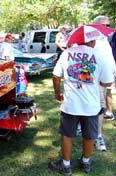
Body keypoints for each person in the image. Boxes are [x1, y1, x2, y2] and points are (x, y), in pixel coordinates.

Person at [48, 36, 114, 175]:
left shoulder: (67, 53)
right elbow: (107, 82)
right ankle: (85, 162)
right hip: (91, 105)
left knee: (67, 134)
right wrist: (98, 82)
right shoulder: (101, 55)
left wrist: (57, 93)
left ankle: (66, 166)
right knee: (90, 135)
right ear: (92, 41)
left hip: (70, 104)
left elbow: (55, 76)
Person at [93, 15, 115, 151]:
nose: (107, 28)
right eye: (104, 25)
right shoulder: (93, 40)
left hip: (107, 78)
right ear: (96, 25)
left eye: (108, 25)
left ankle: (95, 133)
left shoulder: (105, 39)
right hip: (97, 79)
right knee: (98, 107)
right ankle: (98, 136)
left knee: (99, 107)